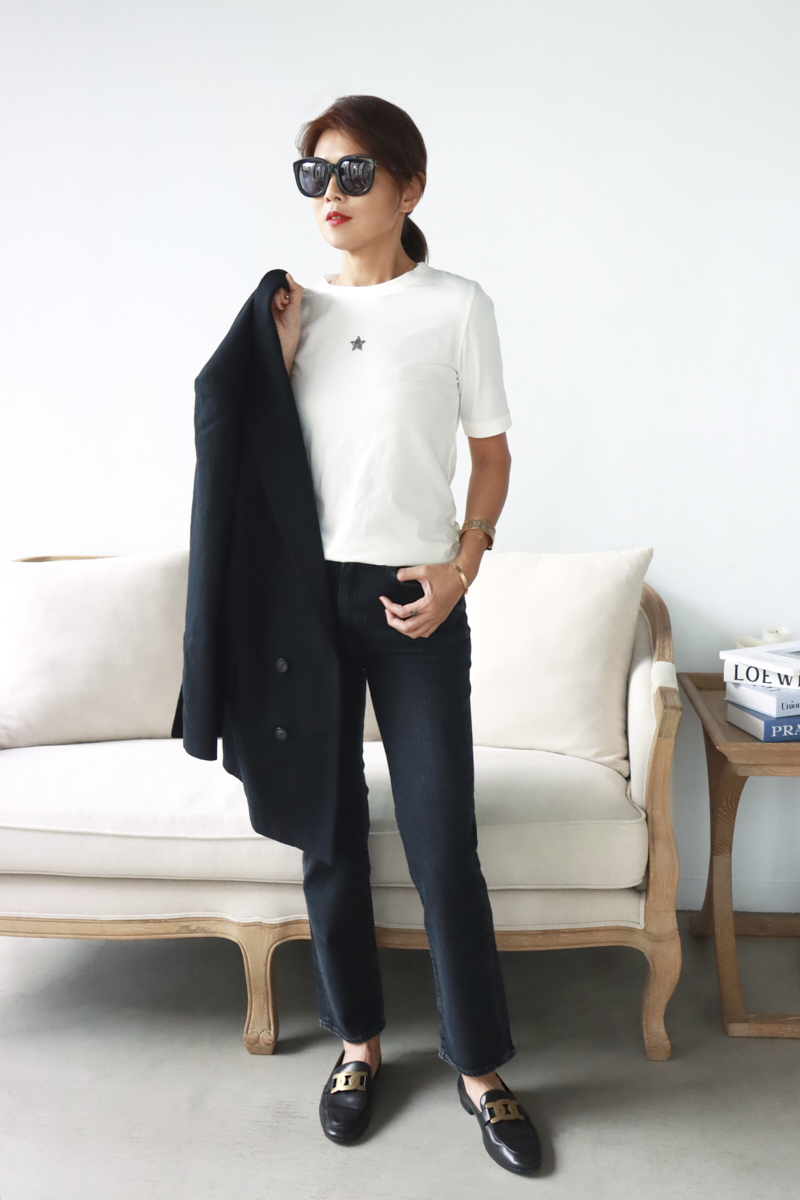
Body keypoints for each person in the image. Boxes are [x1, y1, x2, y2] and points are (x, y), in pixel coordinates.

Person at [270, 94, 541, 1175]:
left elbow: (492, 457)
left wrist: (460, 568)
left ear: (408, 187)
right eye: (314, 174)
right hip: (308, 605)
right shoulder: (289, 311)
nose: (330, 194)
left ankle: (479, 1067)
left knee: (440, 845)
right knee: (329, 839)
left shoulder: (456, 306)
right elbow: (248, 461)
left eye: (354, 172)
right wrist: (275, 361)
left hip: (415, 599)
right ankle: (357, 1045)